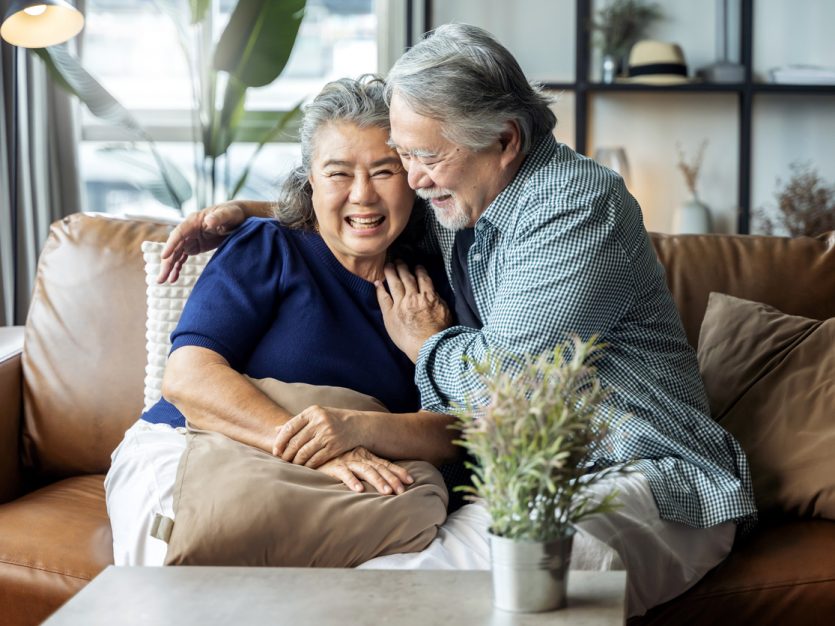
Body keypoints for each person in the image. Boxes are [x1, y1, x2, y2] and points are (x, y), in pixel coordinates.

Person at [158, 25, 757, 617]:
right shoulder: (464, 196)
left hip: (642, 476)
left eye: (424, 157)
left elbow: (508, 390)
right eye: (407, 156)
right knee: (374, 585)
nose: (414, 178)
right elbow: (361, 203)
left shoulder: (573, 210)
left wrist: (427, 342)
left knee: (427, 599)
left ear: (505, 139)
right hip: (530, 474)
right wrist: (251, 211)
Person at [104, 75, 461, 567]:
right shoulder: (270, 246)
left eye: (385, 171)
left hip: (350, 477)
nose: (363, 196)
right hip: (204, 444)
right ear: (309, 179)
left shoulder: (432, 291)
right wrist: (321, 448)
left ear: (415, 177)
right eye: (338, 173)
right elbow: (188, 377)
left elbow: (457, 431)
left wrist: (412, 368)